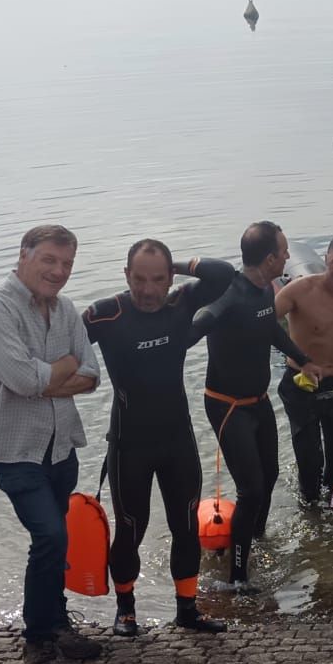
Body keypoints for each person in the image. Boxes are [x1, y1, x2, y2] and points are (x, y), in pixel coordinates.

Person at [0, 224, 103, 664]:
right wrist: (54, 371)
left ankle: (58, 623)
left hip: (60, 444)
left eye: (66, 263)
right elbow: (25, 381)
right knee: (50, 535)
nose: (59, 272)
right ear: (24, 255)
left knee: (56, 540)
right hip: (14, 449)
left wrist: (52, 375)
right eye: (49, 260)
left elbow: (92, 375)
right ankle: (37, 652)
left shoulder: (65, 309)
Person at [83, 241, 232, 638]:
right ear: (125, 275)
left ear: (170, 278)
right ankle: (126, 610)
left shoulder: (180, 303)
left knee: (186, 526)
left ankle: (187, 610)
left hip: (176, 438)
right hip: (129, 443)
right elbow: (59, 345)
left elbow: (221, 273)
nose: (148, 290)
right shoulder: (105, 314)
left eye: (158, 279)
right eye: (139, 279)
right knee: (131, 526)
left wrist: (176, 265)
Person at [190, 222, 327, 592]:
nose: (287, 256)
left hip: (258, 402)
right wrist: (175, 339)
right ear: (269, 258)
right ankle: (237, 577)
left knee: (268, 478)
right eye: (283, 252)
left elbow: (272, 331)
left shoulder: (266, 288)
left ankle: (255, 539)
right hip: (227, 406)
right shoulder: (230, 296)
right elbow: (201, 323)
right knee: (250, 489)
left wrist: (303, 359)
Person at [275, 234, 333, 506]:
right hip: (302, 384)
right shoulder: (298, 291)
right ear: (326, 258)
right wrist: (300, 358)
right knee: (309, 459)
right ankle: (310, 509)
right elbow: (263, 325)